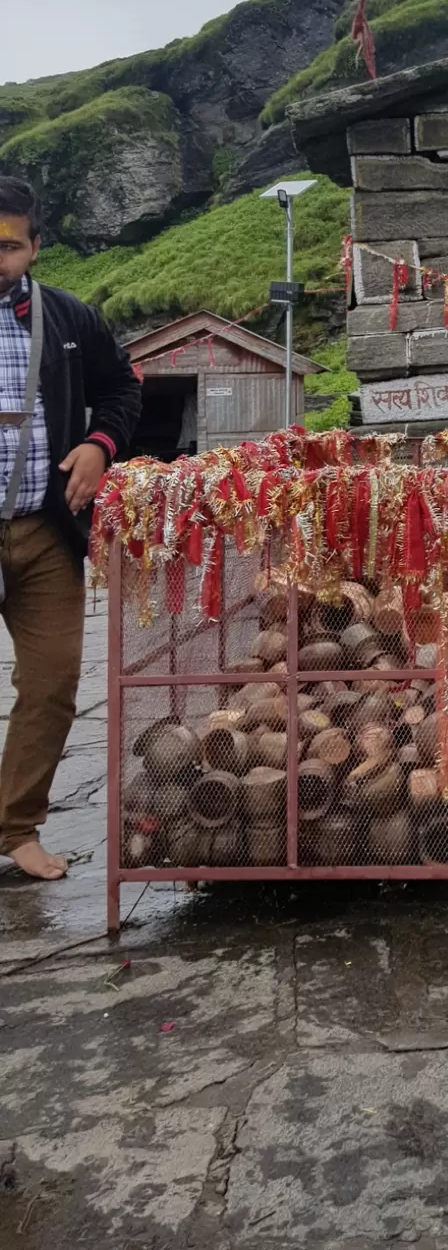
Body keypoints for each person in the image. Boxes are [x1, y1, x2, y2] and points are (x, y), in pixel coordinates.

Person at [0, 176, 141, 881]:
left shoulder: (68, 319)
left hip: (45, 533)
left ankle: (18, 829)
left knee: (53, 683)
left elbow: (123, 386)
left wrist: (99, 445)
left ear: (34, 245)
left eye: (8, 246)